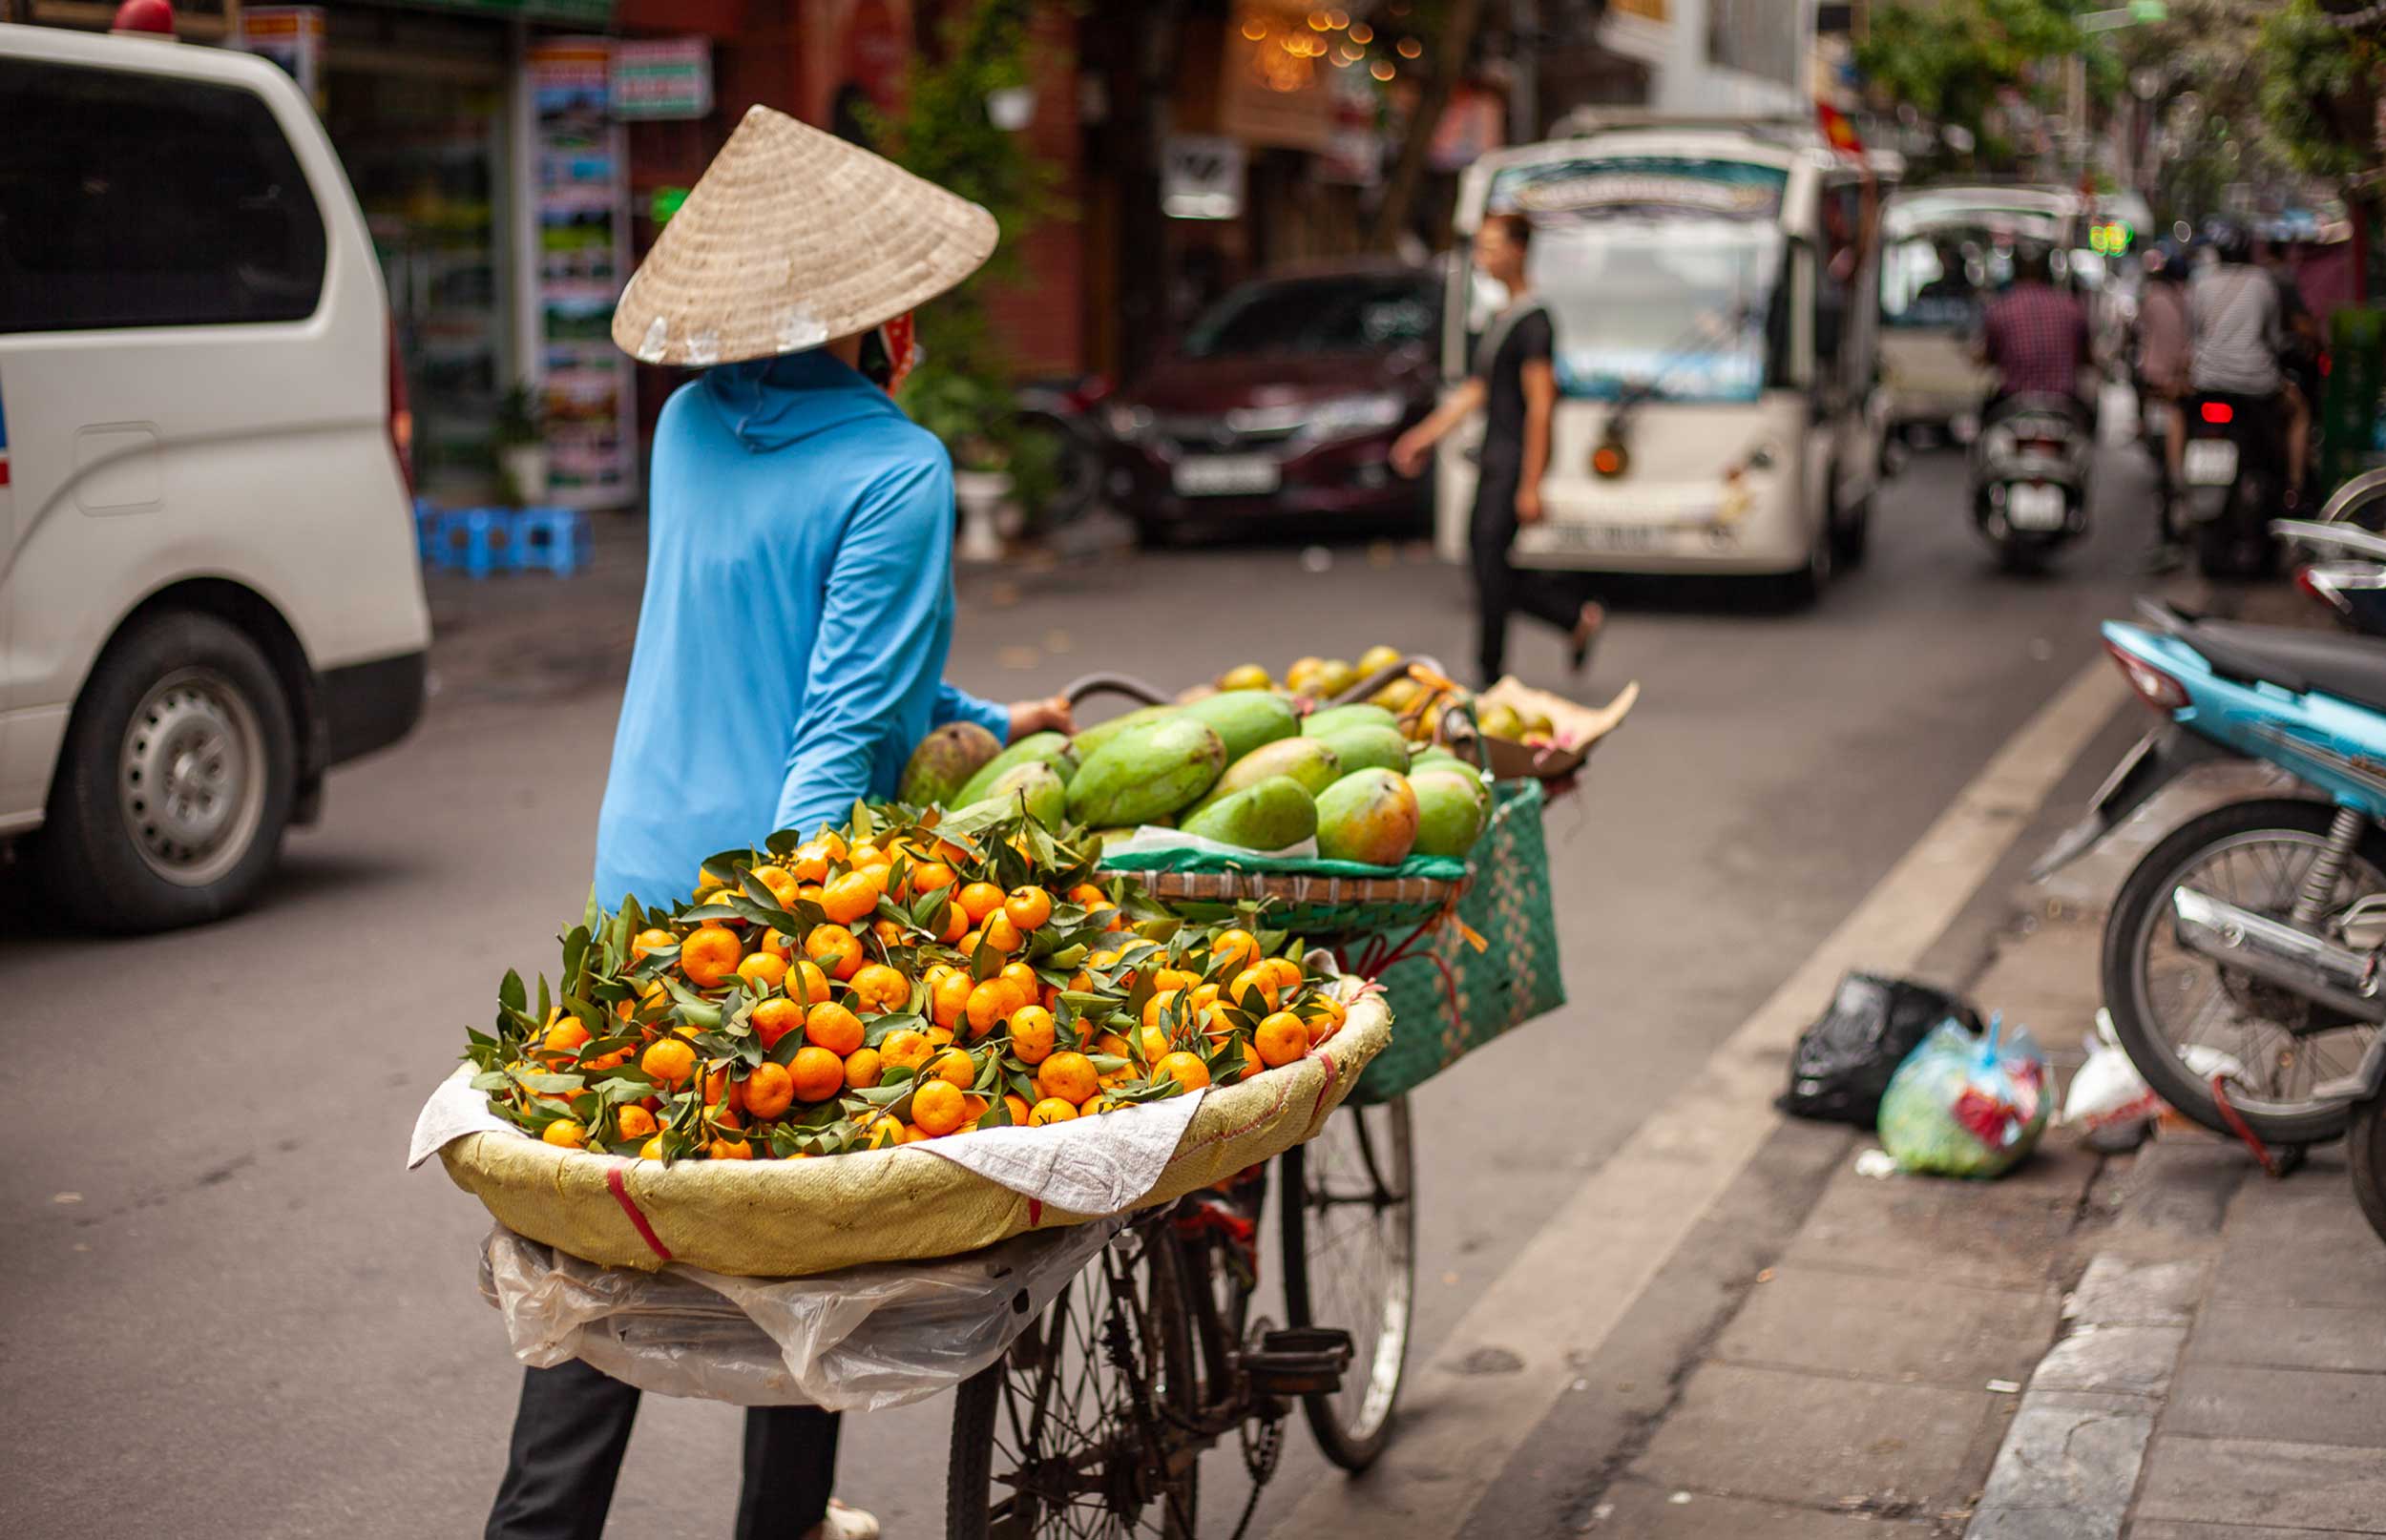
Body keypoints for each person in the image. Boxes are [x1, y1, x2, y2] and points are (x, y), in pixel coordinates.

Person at [485, 106, 1068, 1540]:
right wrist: (781, 927)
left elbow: (823, 650)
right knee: (792, 1226)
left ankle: (535, 1530)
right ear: (888, 321)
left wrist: (991, 723)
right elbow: (833, 725)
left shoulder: (690, 423)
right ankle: (780, 1524)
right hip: (777, 893)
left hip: (637, 875)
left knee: (619, 1220)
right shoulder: (897, 468)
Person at [1388, 212, 1601, 688]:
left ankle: (1491, 673)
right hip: (1493, 456)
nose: (1483, 257)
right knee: (1486, 564)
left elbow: (1543, 406)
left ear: (1519, 250)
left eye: (1491, 247)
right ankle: (1570, 618)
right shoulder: (1502, 317)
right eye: (1480, 247)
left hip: (1513, 462)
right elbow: (1477, 391)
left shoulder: (1534, 322)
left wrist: (1532, 484)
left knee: (1488, 561)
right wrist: (1424, 436)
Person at [2187, 220, 2288, 498]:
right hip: (2256, 384)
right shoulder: (2263, 282)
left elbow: (2196, 333)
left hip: (2207, 382)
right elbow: (2275, 339)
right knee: (2290, 421)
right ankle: (2293, 488)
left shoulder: (2201, 282)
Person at [1974, 243, 2094, 419]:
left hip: (2012, 402)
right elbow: (2087, 358)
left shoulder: (2000, 308)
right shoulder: (2071, 308)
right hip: (2065, 404)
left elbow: (1988, 356)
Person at [2134, 247, 2192, 569]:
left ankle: (2171, 530)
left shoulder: (2154, 298)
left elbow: (2139, 337)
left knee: (2165, 473)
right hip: (2182, 388)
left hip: (2160, 390)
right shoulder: (2190, 298)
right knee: (2168, 470)